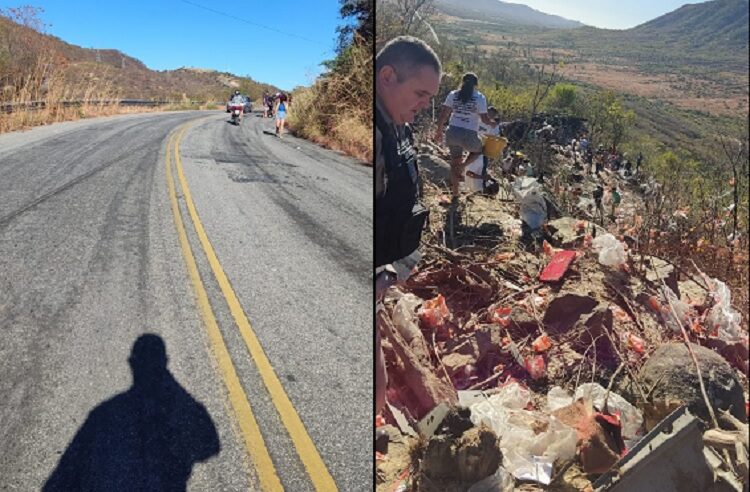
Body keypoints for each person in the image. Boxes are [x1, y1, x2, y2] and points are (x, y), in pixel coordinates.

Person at [375, 36, 441, 417]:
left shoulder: (397, 123)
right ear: (387, 76)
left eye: (430, 97)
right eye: (420, 93)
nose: (424, 105)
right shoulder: (379, 134)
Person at [434, 72, 498, 201]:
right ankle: (463, 166)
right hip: (469, 134)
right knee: (480, 150)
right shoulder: (479, 97)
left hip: (452, 132)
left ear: (462, 82)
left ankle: (455, 194)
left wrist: (439, 132)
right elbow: (485, 120)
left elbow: (443, 115)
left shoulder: (453, 95)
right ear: (476, 85)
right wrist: (493, 123)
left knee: (454, 163)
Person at [464, 106, 501, 193]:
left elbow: (495, 138)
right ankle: (481, 187)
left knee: (481, 168)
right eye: (489, 112)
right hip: (473, 146)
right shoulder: (477, 119)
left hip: (483, 150)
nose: (490, 115)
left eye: (492, 114)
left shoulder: (494, 126)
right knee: (477, 168)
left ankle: (482, 187)